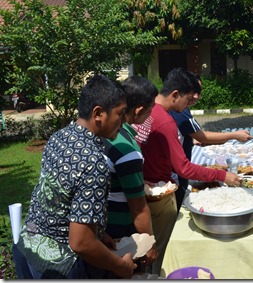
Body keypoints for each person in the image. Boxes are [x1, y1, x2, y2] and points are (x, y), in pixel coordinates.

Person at [12, 75, 137, 279]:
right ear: (98, 113)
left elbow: (58, 199)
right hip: (60, 266)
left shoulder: (59, 137)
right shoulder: (94, 163)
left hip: (27, 248)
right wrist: (120, 266)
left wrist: (97, 232)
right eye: (120, 114)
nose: (123, 122)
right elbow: (81, 243)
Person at [132, 68, 241, 275]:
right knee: (159, 250)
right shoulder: (165, 121)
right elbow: (183, 167)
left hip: (143, 190)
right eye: (188, 100)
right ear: (175, 94)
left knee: (143, 248)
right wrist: (221, 175)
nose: (188, 106)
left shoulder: (144, 111)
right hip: (159, 196)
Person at [170, 74, 253, 211]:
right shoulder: (178, 112)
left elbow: (190, 135)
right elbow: (202, 137)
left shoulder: (179, 109)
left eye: (198, 92)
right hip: (174, 176)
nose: (196, 97)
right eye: (192, 92)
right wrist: (234, 135)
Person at [103, 76, 159, 275]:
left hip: (101, 230)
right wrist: (149, 242)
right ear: (138, 110)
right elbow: (138, 208)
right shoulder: (127, 149)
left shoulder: (100, 135)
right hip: (118, 231)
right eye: (151, 109)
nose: (151, 115)